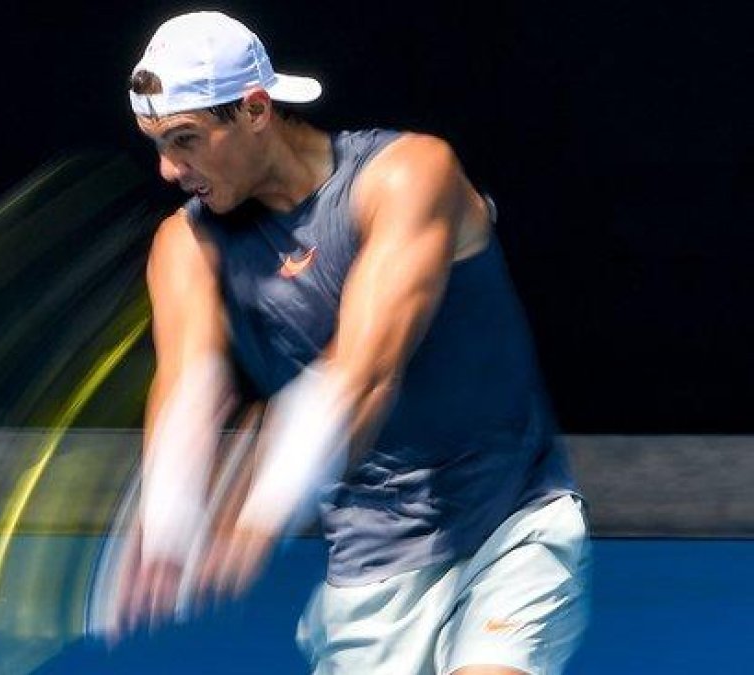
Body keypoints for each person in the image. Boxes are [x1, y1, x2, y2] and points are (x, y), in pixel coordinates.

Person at [113, 10, 590, 675]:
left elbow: (365, 374)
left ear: (255, 109)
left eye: (185, 139)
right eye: (157, 145)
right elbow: (188, 386)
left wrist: (262, 508)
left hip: (510, 526)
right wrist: (169, 515)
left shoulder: (408, 174)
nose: (168, 169)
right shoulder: (186, 245)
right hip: (369, 571)